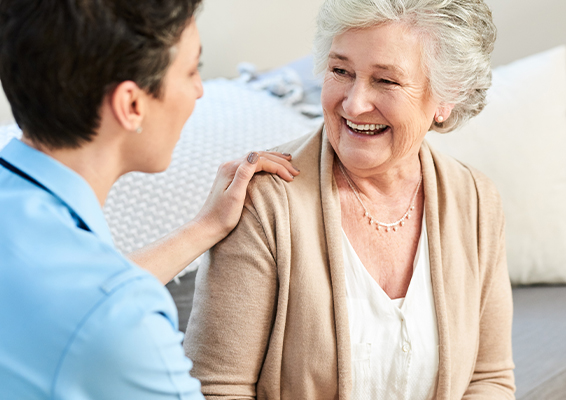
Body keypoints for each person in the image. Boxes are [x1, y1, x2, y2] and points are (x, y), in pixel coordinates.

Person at [184, 0, 515, 398]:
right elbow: (217, 389)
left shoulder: (476, 201)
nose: (355, 103)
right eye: (341, 71)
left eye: (386, 81)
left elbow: (489, 378)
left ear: (446, 99)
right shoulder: (265, 202)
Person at [0, 0, 298, 398]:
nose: (199, 91)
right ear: (132, 105)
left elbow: (67, 300)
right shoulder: (126, 327)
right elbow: (99, 313)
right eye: (192, 71)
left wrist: (203, 228)